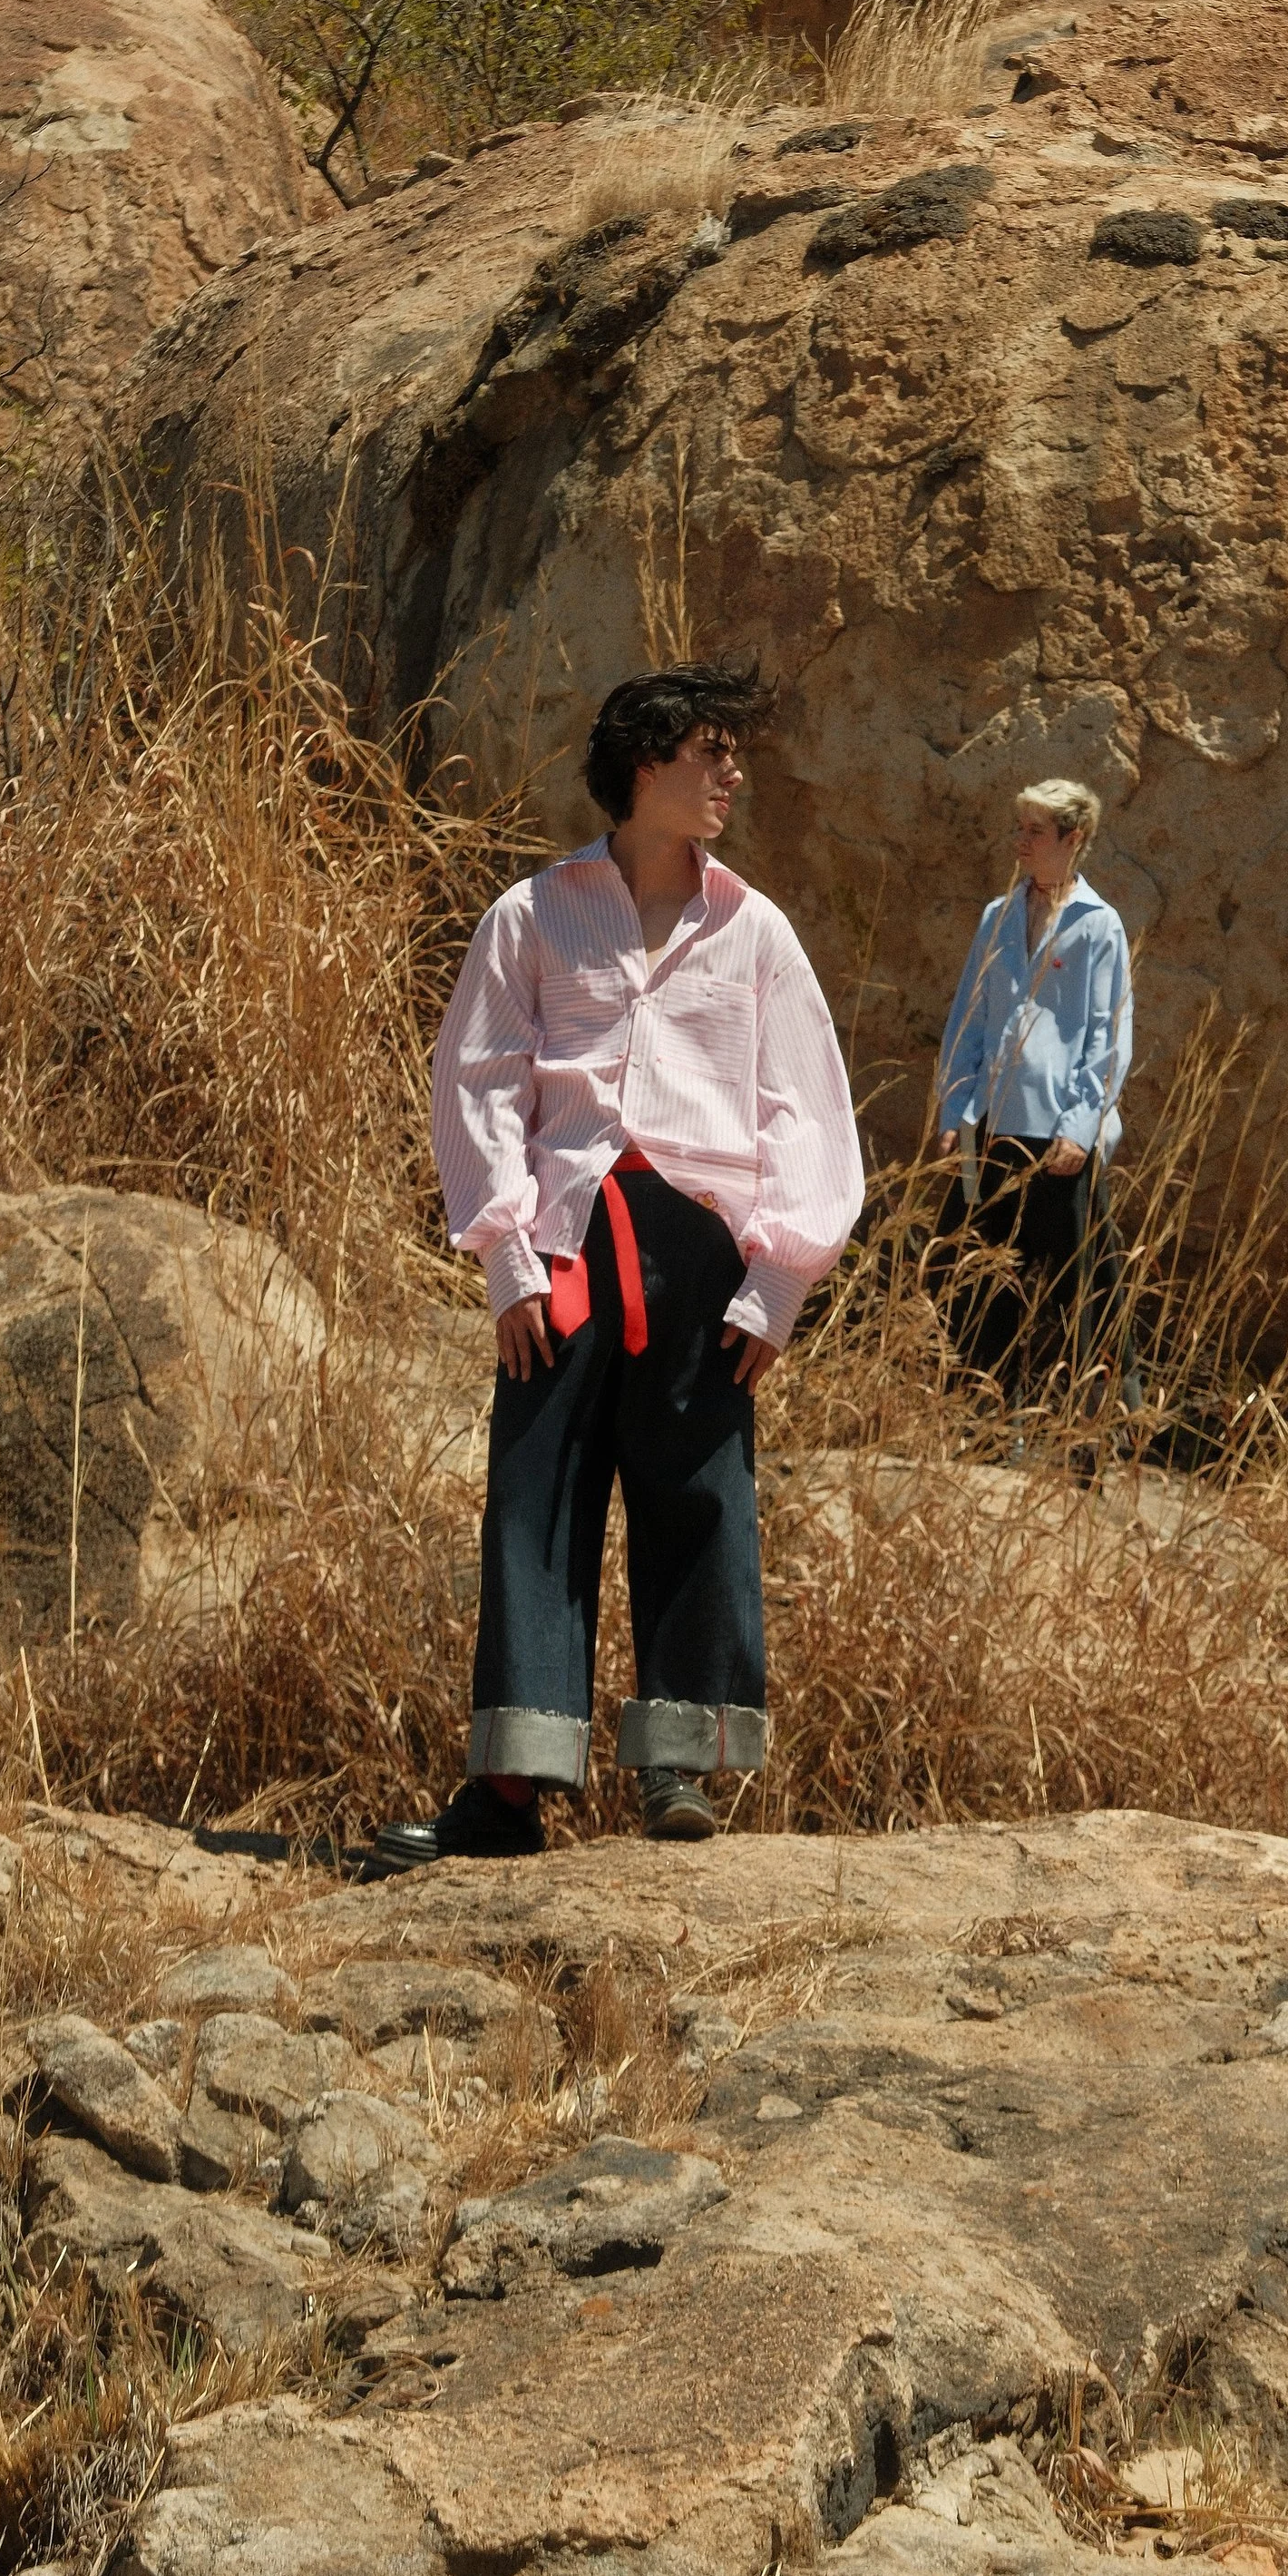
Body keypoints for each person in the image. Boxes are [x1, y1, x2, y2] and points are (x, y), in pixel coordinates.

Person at [374, 659, 863, 1866]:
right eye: (710, 752)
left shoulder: (757, 931)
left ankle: (678, 1768)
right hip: (566, 1238)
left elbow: (807, 1104)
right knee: (536, 1496)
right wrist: (506, 1261)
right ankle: (509, 1793)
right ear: (645, 762)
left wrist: (779, 1282)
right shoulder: (533, 916)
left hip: (700, 1246)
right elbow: (478, 1083)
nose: (732, 773)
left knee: (700, 1491)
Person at [932, 779, 1135, 1409]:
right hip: (990, 1127)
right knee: (972, 1274)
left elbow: (1108, 1036)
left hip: (1060, 1139)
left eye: (1035, 831)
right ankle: (986, 1416)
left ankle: (1111, 1424)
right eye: (1019, 827)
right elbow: (970, 1013)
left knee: (1085, 1286)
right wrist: (955, 1107)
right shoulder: (998, 917)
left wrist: (1081, 1127)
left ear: (1073, 839)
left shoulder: (1098, 926)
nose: (1020, 841)